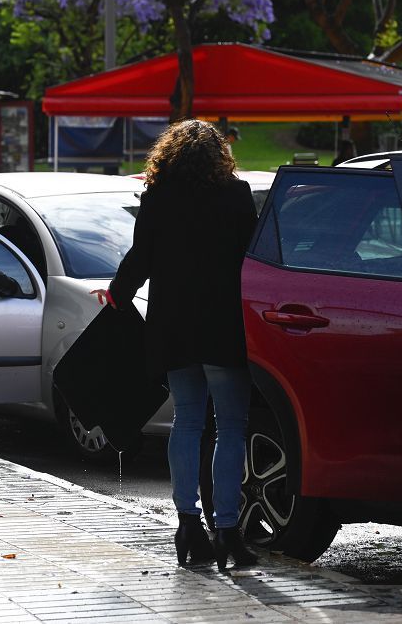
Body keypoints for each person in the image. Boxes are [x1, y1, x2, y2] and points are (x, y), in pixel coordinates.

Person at [90, 119, 258, 572]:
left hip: (174, 328)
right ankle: (229, 531)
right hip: (224, 327)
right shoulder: (236, 196)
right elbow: (252, 259)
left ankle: (188, 526)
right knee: (231, 428)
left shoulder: (157, 198)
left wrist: (116, 293)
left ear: (169, 155)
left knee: (186, 423)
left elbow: (139, 258)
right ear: (219, 157)